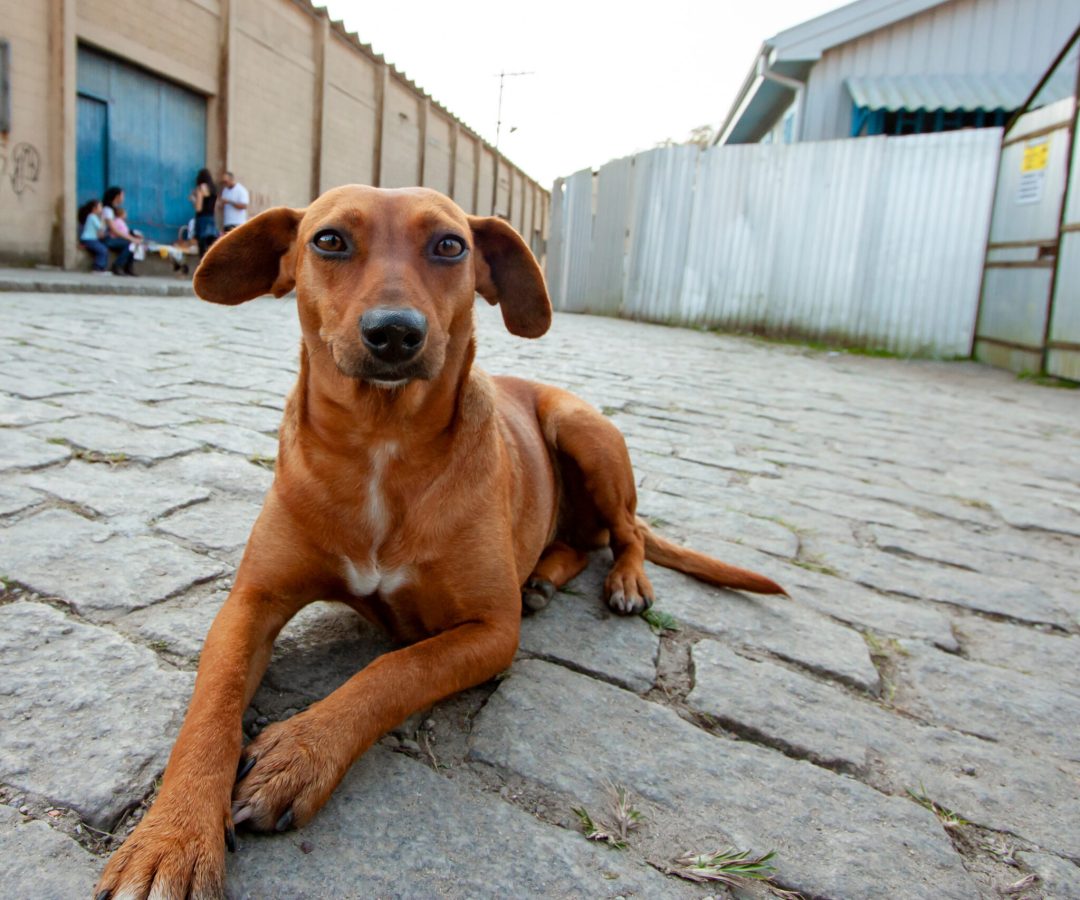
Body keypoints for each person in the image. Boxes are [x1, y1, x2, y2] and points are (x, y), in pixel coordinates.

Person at [102, 185, 136, 275]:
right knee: (129, 244)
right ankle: (117, 266)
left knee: (133, 245)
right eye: (122, 195)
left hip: (113, 237)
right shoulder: (107, 210)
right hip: (107, 238)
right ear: (117, 197)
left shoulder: (114, 210)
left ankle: (128, 268)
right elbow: (113, 229)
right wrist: (130, 238)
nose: (123, 198)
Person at [78, 199, 111, 275]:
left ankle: (102, 268)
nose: (101, 209)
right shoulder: (92, 216)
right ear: (94, 208)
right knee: (102, 250)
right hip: (88, 239)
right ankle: (97, 268)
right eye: (100, 207)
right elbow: (101, 227)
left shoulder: (93, 217)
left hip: (92, 239)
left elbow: (100, 231)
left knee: (104, 249)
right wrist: (103, 219)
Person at [190, 168, 218, 258]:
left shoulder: (201, 188)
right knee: (212, 247)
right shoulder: (213, 189)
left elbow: (198, 208)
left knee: (202, 249)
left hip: (202, 219)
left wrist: (194, 199)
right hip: (211, 218)